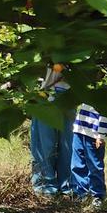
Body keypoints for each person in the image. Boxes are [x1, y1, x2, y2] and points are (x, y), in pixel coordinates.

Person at [30, 64, 73, 196]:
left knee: (65, 144)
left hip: (65, 98)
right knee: (46, 144)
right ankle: (48, 185)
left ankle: (62, 185)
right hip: (48, 97)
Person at [70, 103, 107, 207]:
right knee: (77, 164)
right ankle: (80, 194)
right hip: (79, 129)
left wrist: (101, 135)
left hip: (94, 134)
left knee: (95, 166)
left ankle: (98, 196)